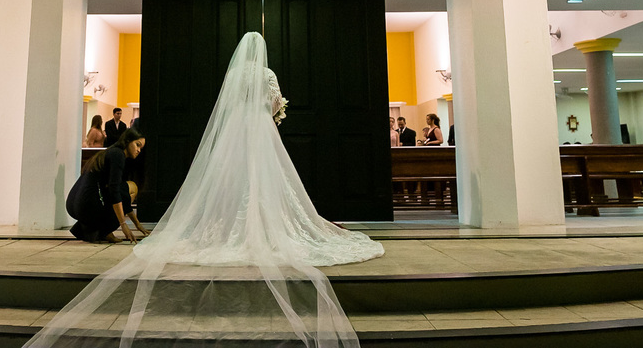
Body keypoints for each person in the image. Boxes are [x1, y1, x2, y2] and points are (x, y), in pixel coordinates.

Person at [25, 32, 381, 347]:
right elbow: (275, 105)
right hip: (260, 131)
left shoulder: (235, 74)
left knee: (231, 182)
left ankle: (227, 227)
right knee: (270, 180)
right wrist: (271, 113)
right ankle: (265, 226)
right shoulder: (267, 74)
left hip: (235, 134)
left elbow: (227, 104)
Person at [66, 127, 151, 243]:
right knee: (131, 187)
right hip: (85, 206)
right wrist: (123, 224)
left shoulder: (111, 152)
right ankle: (105, 231)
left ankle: (95, 230)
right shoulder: (118, 155)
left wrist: (137, 224)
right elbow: (114, 191)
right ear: (127, 141)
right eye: (137, 145)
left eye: (141, 147)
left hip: (73, 205)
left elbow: (119, 193)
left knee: (123, 190)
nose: (139, 150)